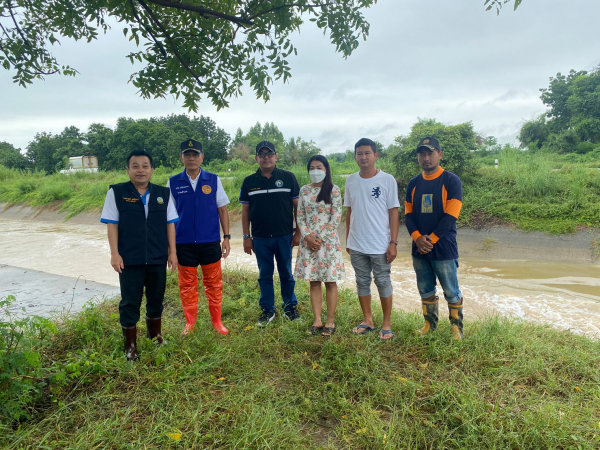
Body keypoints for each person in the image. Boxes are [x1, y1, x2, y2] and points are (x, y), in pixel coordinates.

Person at [100, 150, 178, 361]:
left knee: (156, 298)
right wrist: (114, 254)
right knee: (130, 302)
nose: (140, 170)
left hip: (157, 256)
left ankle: (155, 336)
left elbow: (170, 224)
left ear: (152, 170)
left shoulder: (164, 193)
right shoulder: (116, 192)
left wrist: (172, 252)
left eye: (145, 166)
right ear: (128, 170)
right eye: (135, 166)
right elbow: (112, 225)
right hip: (129, 258)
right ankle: (130, 346)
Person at [167, 139, 230, 335]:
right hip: (183, 243)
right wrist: (171, 248)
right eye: (187, 154)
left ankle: (217, 323)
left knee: (214, 283)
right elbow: (168, 217)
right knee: (187, 285)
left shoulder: (213, 180)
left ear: (202, 157)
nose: (191, 158)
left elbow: (222, 210)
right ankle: (190, 323)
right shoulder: (173, 182)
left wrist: (227, 237)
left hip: (209, 241)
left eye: (195, 154)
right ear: (181, 158)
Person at [405, 137, 464, 339]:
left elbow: (451, 215)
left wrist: (430, 240)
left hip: (444, 247)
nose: (426, 158)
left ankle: (456, 329)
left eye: (430, 153)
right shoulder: (413, 183)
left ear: (440, 154)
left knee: (451, 290)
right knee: (425, 288)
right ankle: (429, 326)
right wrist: (417, 238)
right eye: (422, 154)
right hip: (419, 247)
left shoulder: (451, 181)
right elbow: (408, 215)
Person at [239, 140, 301, 326]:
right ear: (256, 158)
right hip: (260, 238)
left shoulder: (288, 178)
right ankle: (267, 310)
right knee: (265, 274)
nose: (266, 157)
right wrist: (246, 237)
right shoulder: (249, 182)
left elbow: (297, 207)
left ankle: (290, 307)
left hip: (284, 236)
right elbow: (245, 212)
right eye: (262, 154)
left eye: (269, 154)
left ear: (276, 157)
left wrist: (298, 232)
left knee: (286, 273)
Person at [344, 138, 400, 340]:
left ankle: (387, 323)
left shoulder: (387, 180)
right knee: (362, 281)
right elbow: (349, 211)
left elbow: (394, 212)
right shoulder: (350, 181)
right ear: (355, 157)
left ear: (375, 155)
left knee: (383, 281)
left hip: (380, 244)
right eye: (359, 153)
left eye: (367, 153)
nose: (363, 157)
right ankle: (367, 320)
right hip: (357, 243)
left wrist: (393, 242)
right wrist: (348, 238)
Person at [294, 155, 345, 336]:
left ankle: (330, 322)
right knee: (314, 281)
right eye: (312, 168)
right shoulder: (304, 190)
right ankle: (317, 320)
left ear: (326, 170)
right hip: (308, 243)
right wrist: (307, 237)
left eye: (319, 167)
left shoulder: (334, 190)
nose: (315, 171)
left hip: (328, 243)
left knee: (330, 282)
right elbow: (300, 216)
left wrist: (320, 238)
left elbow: (336, 218)